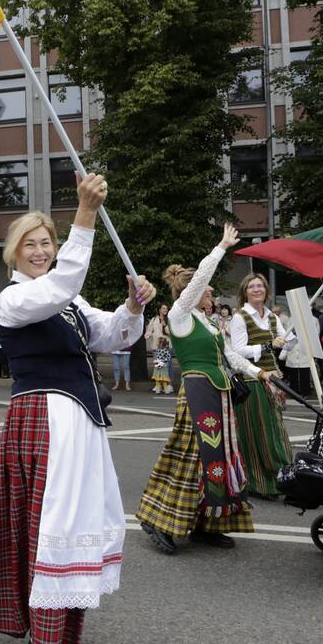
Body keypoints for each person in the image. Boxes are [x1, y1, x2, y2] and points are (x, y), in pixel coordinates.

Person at [0, 174, 155, 644]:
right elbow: (61, 286)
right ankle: (47, 627)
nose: (41, 251)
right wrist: (85, 215)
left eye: (46, 242)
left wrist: (132, 305)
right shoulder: (15, 297)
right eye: (31, 244)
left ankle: (60, 626)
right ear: (14, 251)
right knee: (55, 522)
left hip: (77, 421)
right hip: (47, 419)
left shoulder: (67, 299)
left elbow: (112, 336)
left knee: (68, 521)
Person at [137, 225, 277, 555]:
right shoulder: (180, 315)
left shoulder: (208, 322)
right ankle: (161, 521)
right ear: (192, 292)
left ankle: (206, 523)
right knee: (189, 459)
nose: (212, 295)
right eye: (208, 292)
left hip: (220, 395)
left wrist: (261, 373)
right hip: (198, 396)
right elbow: (200, 277)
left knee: (217, 459)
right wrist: (221, 247)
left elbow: (228, 356)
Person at [228, 273, 293, 500]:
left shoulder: (272, 318)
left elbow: (285, 345)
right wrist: (266, 346)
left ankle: (283, 477)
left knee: (275, 431)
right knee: (259, 432)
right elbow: (237, 351)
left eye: (260, 286)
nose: (257, 290)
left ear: (266, 290)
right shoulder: (240, 317)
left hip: (273, 380)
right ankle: (261, 482)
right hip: (251, 381)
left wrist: (291, 340)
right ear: (245, 292)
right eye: (252, 287)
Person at [146, 304, 173, 394]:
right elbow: (150, 329)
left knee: (167, 366)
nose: (165, 309)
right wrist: (148, 334)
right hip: (156, 346)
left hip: (166, 346)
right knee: (158, 366)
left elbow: (170, 332)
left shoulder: (169, 320)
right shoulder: (154, 319)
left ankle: (168, 385)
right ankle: (158, 385)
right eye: (163, 308)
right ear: (159, 310)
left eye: (166, 308)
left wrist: (164, 324)